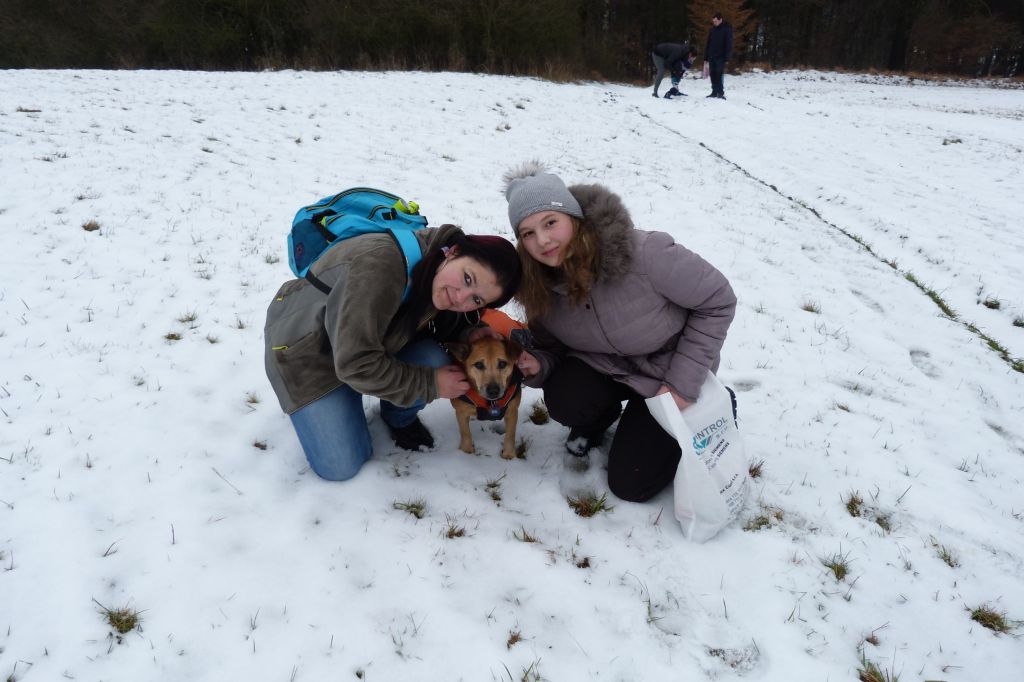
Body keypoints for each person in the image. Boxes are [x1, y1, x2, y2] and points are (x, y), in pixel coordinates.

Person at [503, 162, 736, 503]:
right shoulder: (539, 287)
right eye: (528, 233)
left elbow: (718, 300)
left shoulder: (646, 253)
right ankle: (600, 419)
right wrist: (538, 365)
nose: (543, 240)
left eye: (550, 223)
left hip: (668, 373)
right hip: (606, 367)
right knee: (566, 398)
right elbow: (552, 349)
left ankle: (714, 401)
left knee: (631, 485)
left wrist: (682, 384)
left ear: (573, 217)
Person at [264, 223, 521, 481]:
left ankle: (396, 416)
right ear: (454, 251)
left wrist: (471, 333)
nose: (460, 297)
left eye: (476, 300)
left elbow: (446, 321)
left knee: (435, 359)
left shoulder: (437, 267)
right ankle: (345, 396)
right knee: (341, 467)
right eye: (467, 278)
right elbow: (355, 364)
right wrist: (429, 383)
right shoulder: (379, 265)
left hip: (365, 346)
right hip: (308, 354)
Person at [704, 12, 734, 99]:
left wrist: (727, 57)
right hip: (711, 56)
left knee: (719, 74)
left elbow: (729, 44)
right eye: (713, 21)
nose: (714, 23)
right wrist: (706, 56)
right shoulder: (712, 30)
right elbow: (708, 43)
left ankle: (720, 92)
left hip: (721, 57)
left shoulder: (727, 29)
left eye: (716, 21)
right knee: (712, 74)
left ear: (720, 20)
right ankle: (714, 92)